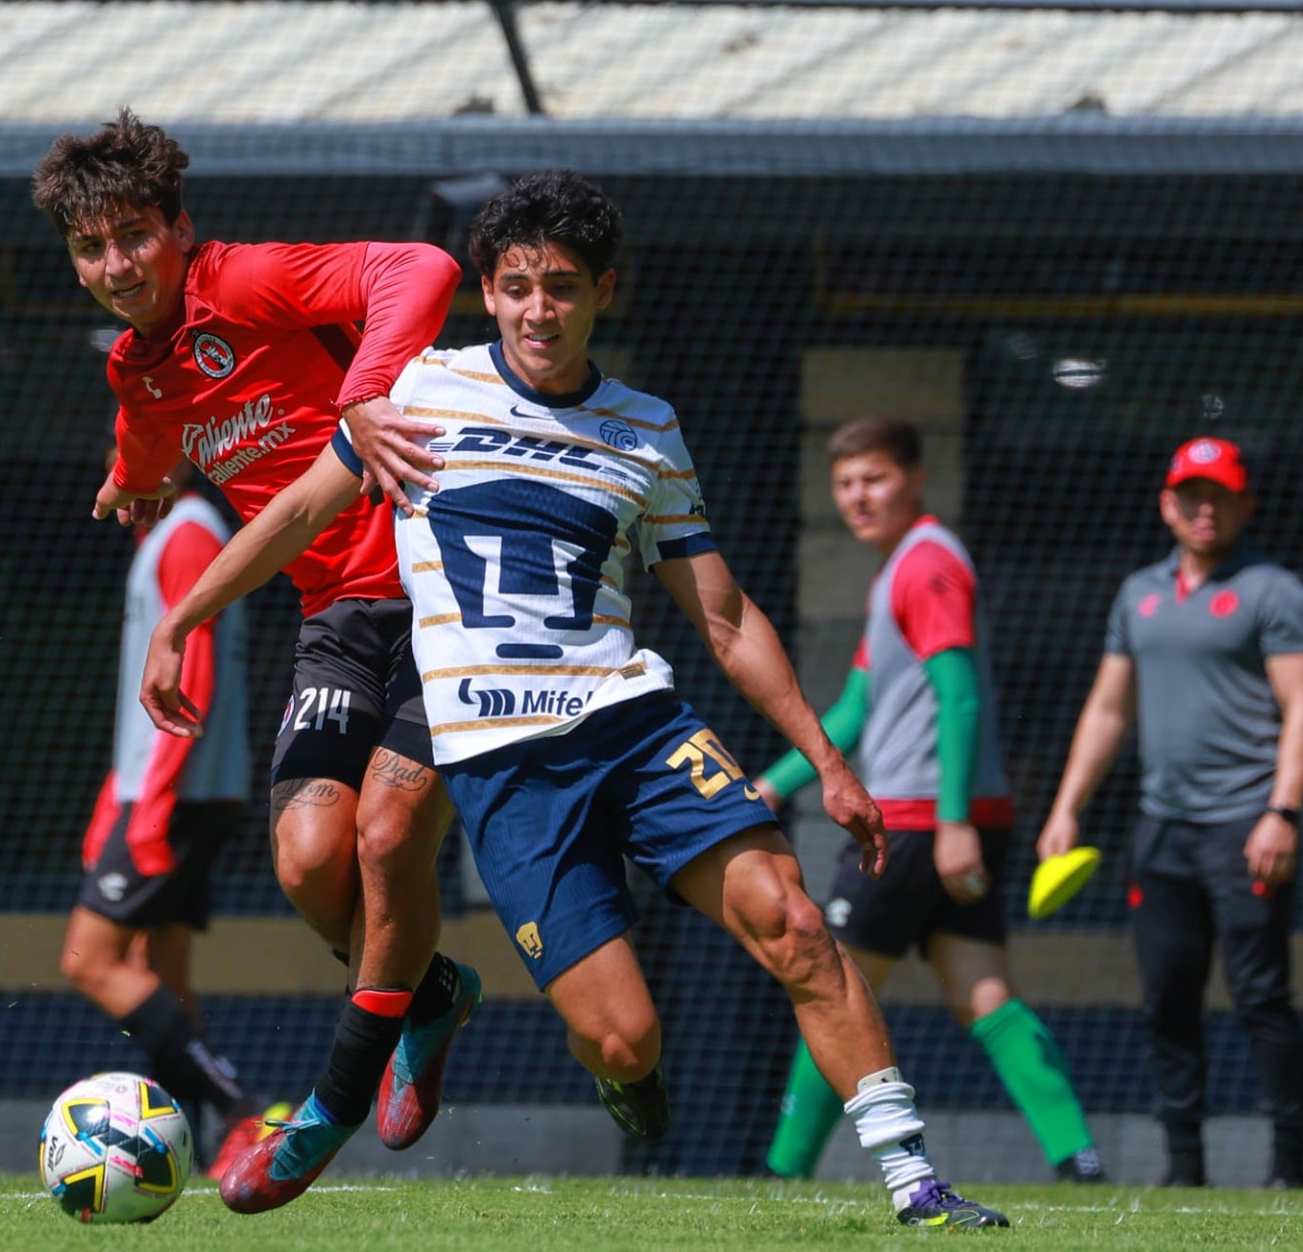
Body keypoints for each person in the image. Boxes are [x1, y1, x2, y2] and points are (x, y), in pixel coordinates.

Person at [142, 170, 1009, 1229]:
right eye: (516, 287)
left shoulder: (647, 427)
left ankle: (916, 1182)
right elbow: (292, 515)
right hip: (506, 769)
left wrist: (828, 762)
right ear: (489, 293)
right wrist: (183, 619)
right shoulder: (420, 391)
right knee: (622, 1038)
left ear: (604, 290)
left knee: (792, 921)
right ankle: (620, 1070)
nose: (538, 310)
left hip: (635, 726)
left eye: (561, 287)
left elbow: (724, 616)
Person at [31, 110, 481, 1212]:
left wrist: (365, 391)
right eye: (90, 248)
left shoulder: (246, 281)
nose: (115, 265)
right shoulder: (139, 371)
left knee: (386, 837)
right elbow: (148, 433)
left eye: (133, 235)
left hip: (441, 592)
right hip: (334, 614)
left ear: (180, 228)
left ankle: (339, 1091)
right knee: (309, 859)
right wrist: (131, 479)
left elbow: (424, 268)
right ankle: (430, 991)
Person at [753, 417, 1103, 1184]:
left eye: (874, 479)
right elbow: (855, 709)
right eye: (845, 484)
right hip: (942, 823)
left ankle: (782, 1174)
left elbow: (960, 695)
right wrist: (768, 788)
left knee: (834, 992)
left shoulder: (926, 565)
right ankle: (1080, 1161)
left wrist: (951, 823)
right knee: (984, 994)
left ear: (915, 479)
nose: (858, 497)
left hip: (915, 826)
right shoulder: (899, 572)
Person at [1038, 437, 1303, 1190]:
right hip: (1160, 829)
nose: (1205, 508)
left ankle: (1290, 1169)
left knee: (1261, 997)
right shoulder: (1139, 594)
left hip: (1247, 826)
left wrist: (1283, 812)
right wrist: (1067, 808)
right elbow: (1107, 709)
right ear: (1167, 504)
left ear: (1245, 505)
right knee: (1167, 997)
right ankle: (1183, 1171)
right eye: (1192, 494)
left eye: (1220, 495)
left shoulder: (1275, 593)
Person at [58, 452, 281, 1177]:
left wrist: (148, 805)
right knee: (162, 973)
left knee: (91, 960)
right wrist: (116, 800)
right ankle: (195, 1143)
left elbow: (194, 671)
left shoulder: (187, 533)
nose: (117, 465)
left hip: (178, 795)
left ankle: (243, 1110)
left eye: (135, 450)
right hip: (177, 792)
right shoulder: (176, 532)